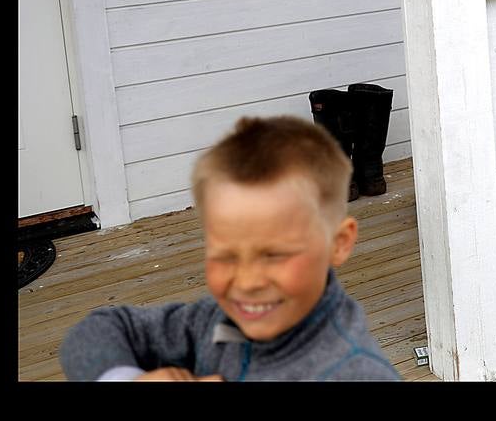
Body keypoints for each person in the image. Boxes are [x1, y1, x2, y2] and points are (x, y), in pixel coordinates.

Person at [60, 116, 400, 381]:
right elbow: (100, 330)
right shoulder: (210, 322)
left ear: (339, 243)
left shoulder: (355, 371)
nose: (248, 282)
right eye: (225, 255)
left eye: (274, 254)